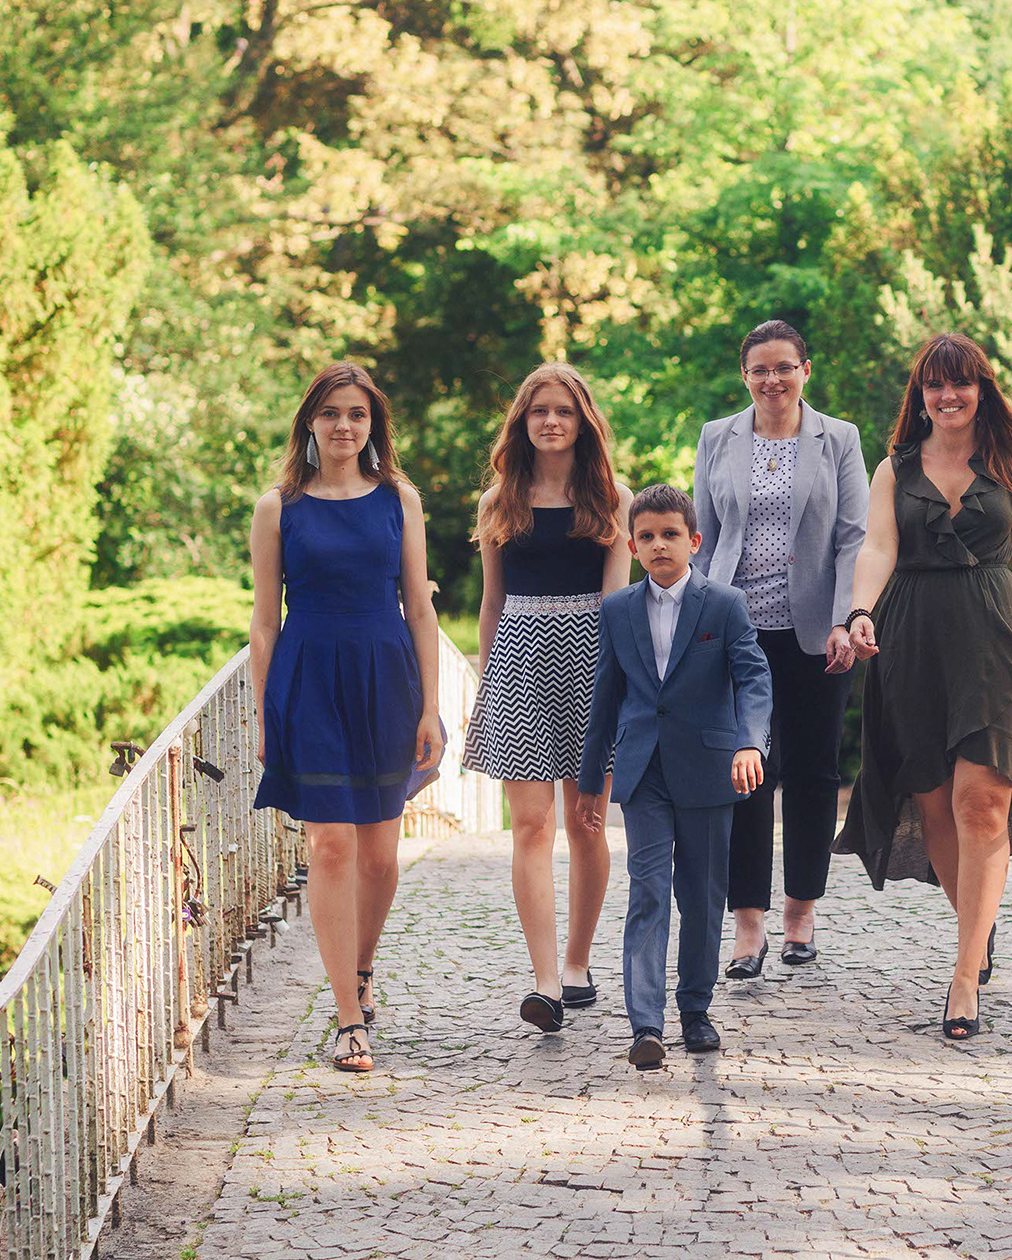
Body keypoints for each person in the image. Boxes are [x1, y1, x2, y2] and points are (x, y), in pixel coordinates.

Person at [835, 334, 1012, 1042]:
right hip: (911, 642)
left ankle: (962, 977)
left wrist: (1011, 627)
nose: (948, 396)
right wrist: (859, 611)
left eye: (961, 383)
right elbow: (878, 547)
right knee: (935, 807)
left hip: (991, 646)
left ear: (982, 389)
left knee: (981, 803)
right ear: (920, 396)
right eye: (934, 385)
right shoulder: (894, 469)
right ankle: (977, 931)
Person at [250, 361, 445, 1073]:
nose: (343, 425)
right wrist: (266, 713)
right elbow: (264, 623)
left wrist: (430, 707)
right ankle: (348, 1018)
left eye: (357, 414)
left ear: (373, 424)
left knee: (382, 856)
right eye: (331, 412)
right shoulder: (278, 507)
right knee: (331, 846)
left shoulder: (399, 499)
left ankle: (361, 969)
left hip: (385, 679)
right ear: (310, 421)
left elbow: (419, 608)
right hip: (309, 681)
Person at [574, 486, 773, 1069]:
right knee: (649, 890)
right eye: (647, 537)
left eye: (670, 534)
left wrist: (749, 742)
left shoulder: (725, 604)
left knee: (703, 895)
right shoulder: (617, 610)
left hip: (709, 768)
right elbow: (605, 697)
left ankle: (695, 1010)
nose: (659, 545)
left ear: (694, 541)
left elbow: (754, 679)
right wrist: (590, 782)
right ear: (632, 547)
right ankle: (646, 1024)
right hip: (643, 772)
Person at [693, 320, 868, 976]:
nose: (772, 380)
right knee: (745, 772)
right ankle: (748, 926)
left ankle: (800, 915)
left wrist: (845, 618)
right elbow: (703, 540)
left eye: (784, 367)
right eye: (760, 369)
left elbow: (854, 537)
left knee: (814, 771)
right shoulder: (717, 437)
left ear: (805, 370)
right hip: (736, 631)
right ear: (745, 376)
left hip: (817, 633)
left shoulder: (839, 438)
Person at [464, 364, 632, 1033]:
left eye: (563, 410)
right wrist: (486, 686)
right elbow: (491, 602)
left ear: (583, 421)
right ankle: (543, 983)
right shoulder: (498, 501)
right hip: (518, 665)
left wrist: (622, 689)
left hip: (593, 664)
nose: (552, 421)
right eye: (539, 411)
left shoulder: (613, 500)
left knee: (587, 822)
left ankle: (577, 962)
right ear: (522, 422)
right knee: (531, 826)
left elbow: (618, 603)